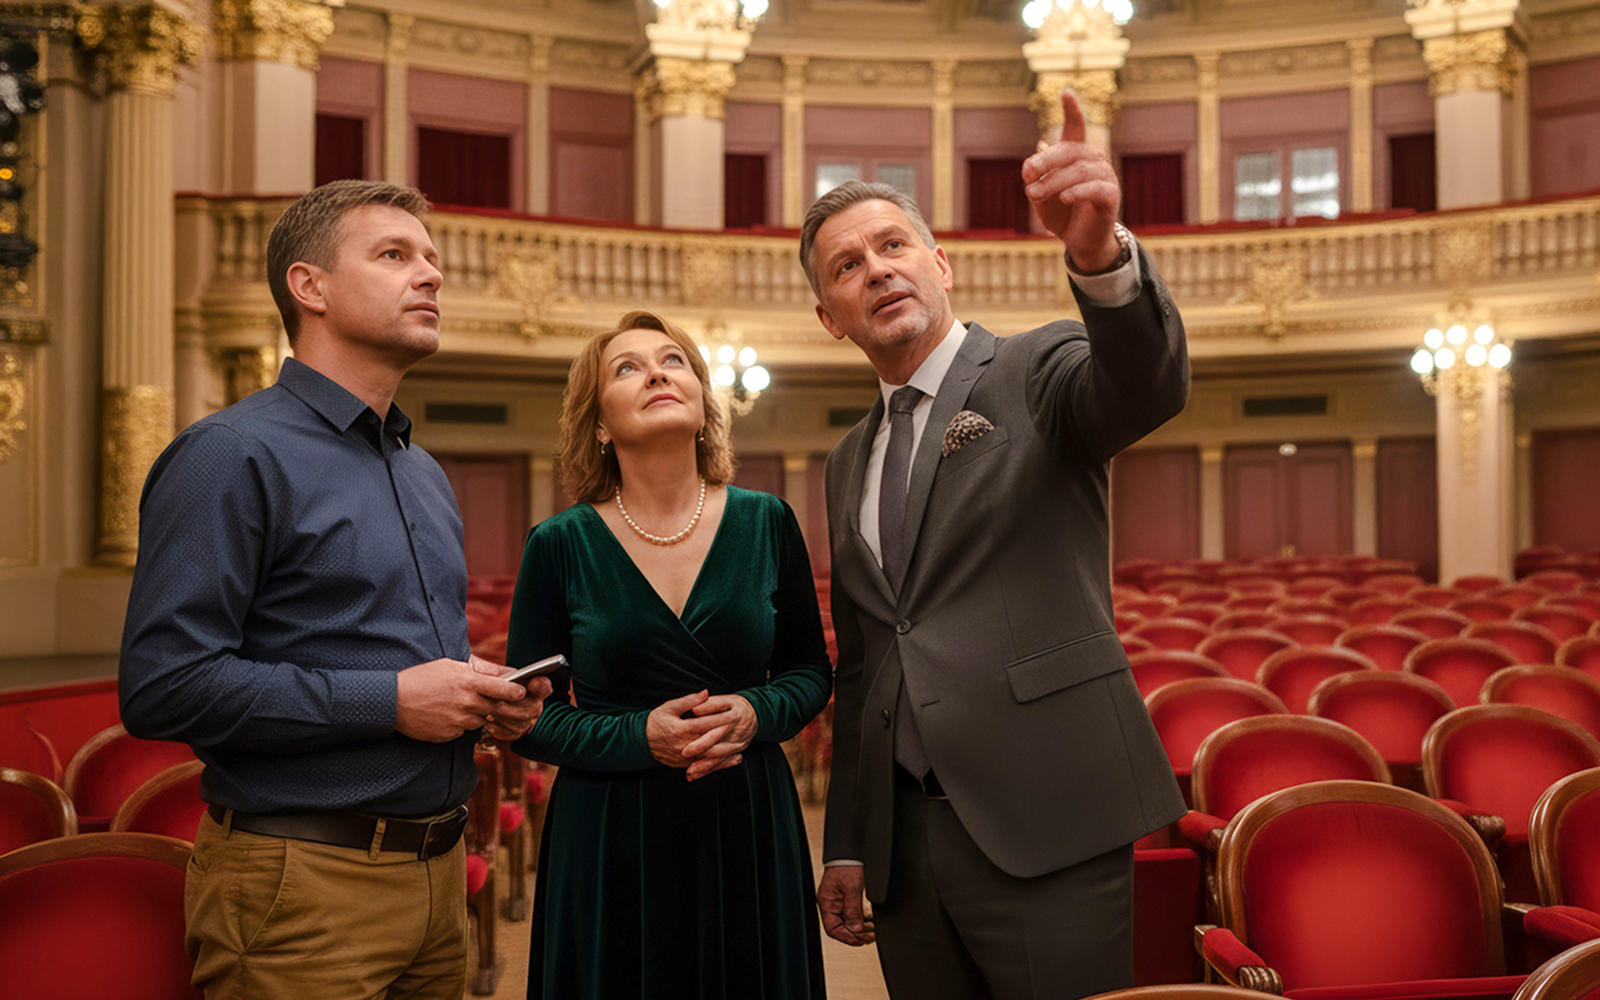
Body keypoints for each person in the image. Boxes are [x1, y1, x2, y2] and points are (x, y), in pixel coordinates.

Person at [119, 180, 548, 1000]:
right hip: (301, 884)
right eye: (394, 256)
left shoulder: (419, 469)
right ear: (309, 287)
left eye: (431, 259)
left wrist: (481, 702)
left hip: (437, 873)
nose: (431, 275)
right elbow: (163, 687)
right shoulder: (230, 454)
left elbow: (408, 665)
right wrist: (388, 702)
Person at [808, 91, 1190, 1000]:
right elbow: (866, 669)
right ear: (830, 317)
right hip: (906, 850)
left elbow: (1143, 387)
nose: (878, 270)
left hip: (1047, 818)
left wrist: (1099, 259)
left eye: (894, 246)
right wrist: (852, 841)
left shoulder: (1034, 369)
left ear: (941, 265)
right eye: (848, 265)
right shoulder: (845, 459)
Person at [506, 310, 832, 1000]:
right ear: (598, 423)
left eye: (673, 361)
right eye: (627, 367)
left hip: (746, 819)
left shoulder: (767, 520)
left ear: (704, 404)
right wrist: (637, 735)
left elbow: (810, 672)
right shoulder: (558, 544)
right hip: (608, 834)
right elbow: (526, 720)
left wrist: (754, 711)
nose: (656, 371)